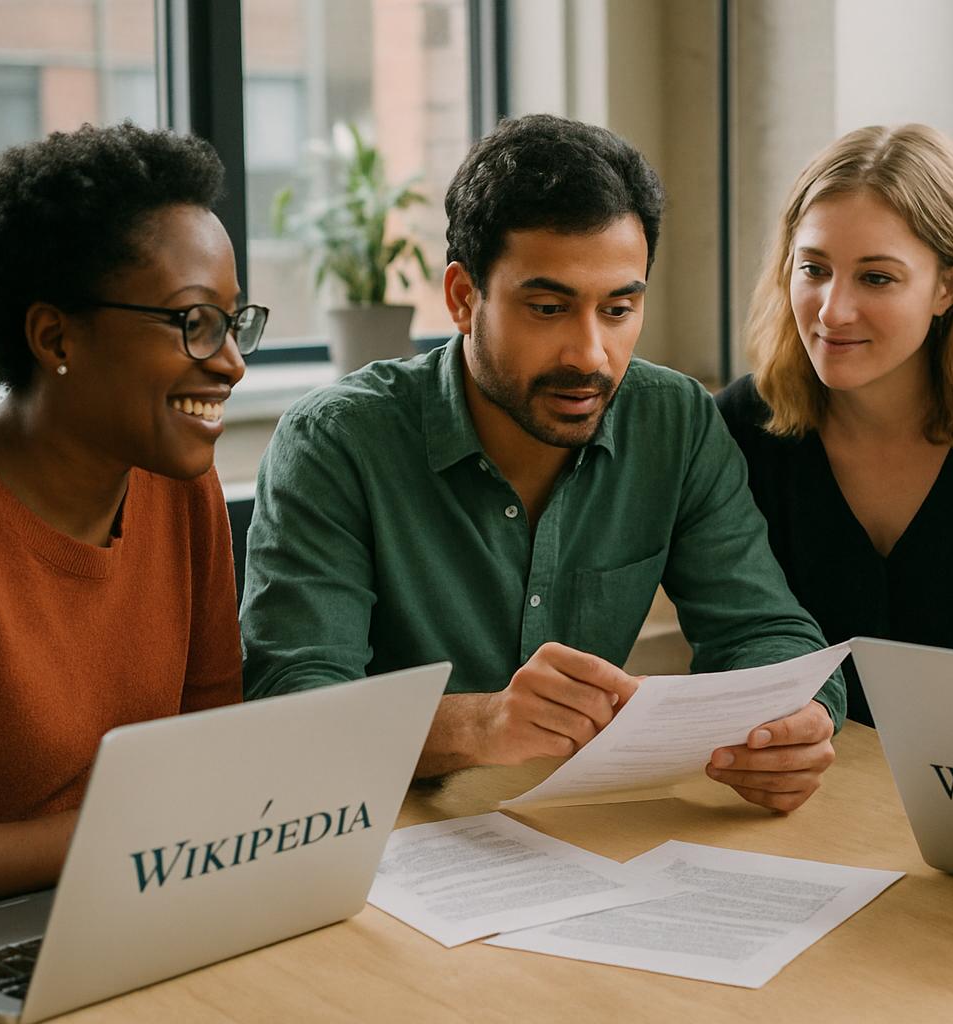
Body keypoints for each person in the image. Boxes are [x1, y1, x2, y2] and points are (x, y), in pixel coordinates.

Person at [241, 114, 843, 812]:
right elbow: (296, 707)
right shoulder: (336, 442)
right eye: (550, 308)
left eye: (618, 310)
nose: (590, 355)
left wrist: (796, 722)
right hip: (384, 835)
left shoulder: (674, 421)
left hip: (576, 830)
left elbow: (764, 629)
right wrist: (481, 725)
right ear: (463, 298)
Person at [0, 123, 257, 927]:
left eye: (234, 323)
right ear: (55, 336)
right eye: (194, 321)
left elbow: (211, 750)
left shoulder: (181, 489)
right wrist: (108, 838)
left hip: (133, 906)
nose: (231, 362)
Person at [717, 124, 953, 726]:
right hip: (813, 770)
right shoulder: (742, 424)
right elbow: (738, 641)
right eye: (813, 269)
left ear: (949, 286)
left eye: (876, 277)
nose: (833, 310)